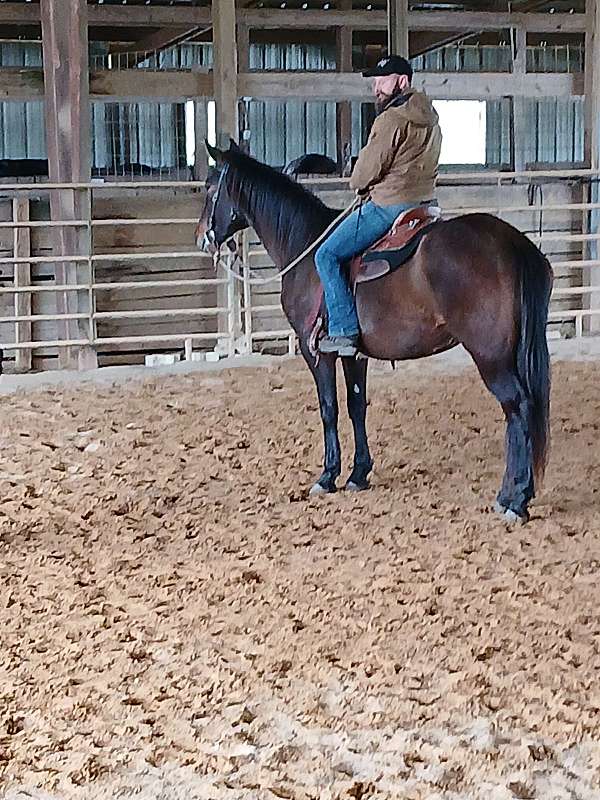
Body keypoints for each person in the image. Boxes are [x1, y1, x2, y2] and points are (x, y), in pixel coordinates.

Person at [315, 55, 442, 356]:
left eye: (382, 81)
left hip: (390, 206)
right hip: (425, 205)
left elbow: (364, 173)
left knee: (326, 255)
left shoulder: (390, 119)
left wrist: (358, 182)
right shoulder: (432, 117)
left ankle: (344, 331)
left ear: (403, 81)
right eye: (375, 82)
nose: (376, 89)